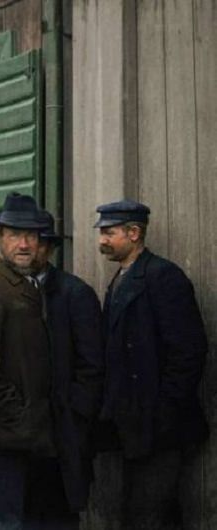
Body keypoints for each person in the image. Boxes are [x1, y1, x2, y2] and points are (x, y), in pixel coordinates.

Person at [94, 200, 208, 529]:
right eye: (102, 232)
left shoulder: (163, 277)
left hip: (159, 425)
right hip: (132, 422)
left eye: (109, 232)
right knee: (145, 510)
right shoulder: (121, 277)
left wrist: (164, 409)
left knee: (150, 512)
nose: (102, 240)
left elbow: (189, 351)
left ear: (134, 233)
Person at [0, 193, 65, 529]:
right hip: (5, 437)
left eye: (32, 236)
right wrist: (19, 417)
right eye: (15, 235)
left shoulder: (27, 284)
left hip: (31, 435)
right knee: (2, 521)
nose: (24, 244)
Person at [30, 209, 104, 526]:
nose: (26, 248)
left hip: (63, 429)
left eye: (35, 242)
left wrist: (76, 412)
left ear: (49, 249)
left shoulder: (75, 293)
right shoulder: (4, 292)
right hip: (23, 428)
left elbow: (92, 364)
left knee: (59, 511)